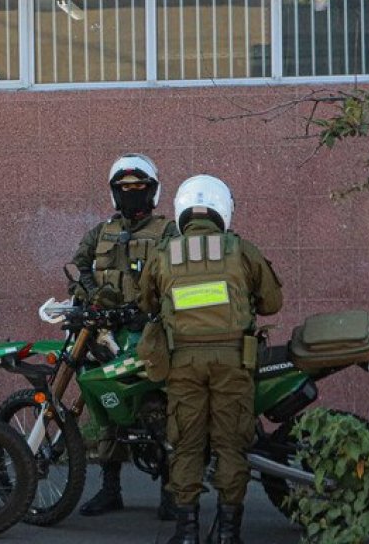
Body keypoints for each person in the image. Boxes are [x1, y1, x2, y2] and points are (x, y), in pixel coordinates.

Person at [138, 175, 283, 544]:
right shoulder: (242, 250)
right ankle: (228, 534)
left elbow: (146, 302)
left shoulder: (163, 253)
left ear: (181, 211)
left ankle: (187, 533)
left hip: (183, 363)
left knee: (186, 444)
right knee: (231, 445)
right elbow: (272, 303)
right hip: (233, 361)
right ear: (223, 210)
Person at [68, 154, 179, 519]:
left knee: (157, 408)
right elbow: (78, 266)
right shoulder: (101, 232)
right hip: (107, 335)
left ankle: (170, 492)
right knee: (107, 406)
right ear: (114, 192)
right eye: (124, 187)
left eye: (139, 186)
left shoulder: (168, 231)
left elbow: (180, 277)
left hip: (149, 333)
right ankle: (110, 488)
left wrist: (153, 308)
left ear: (153, 190)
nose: (131, 192)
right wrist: (92, 296)